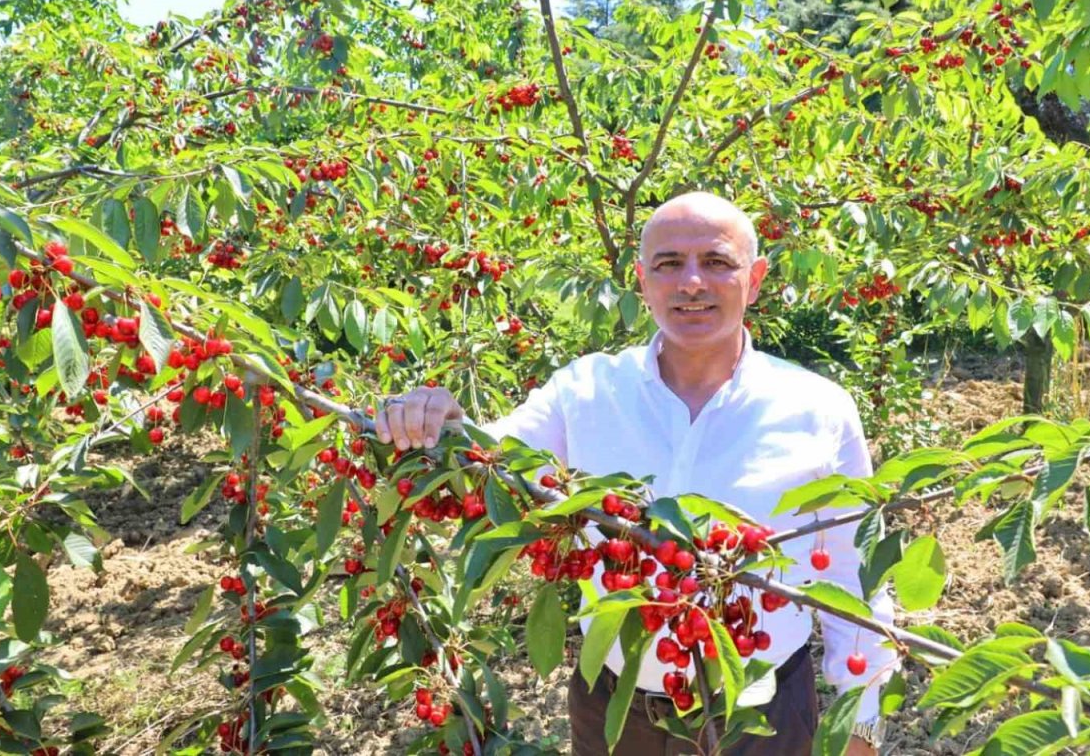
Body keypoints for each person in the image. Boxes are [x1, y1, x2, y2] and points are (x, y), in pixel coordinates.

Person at [376, 192, 897, 755]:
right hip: (616, 710)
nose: (691, 282)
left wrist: (862, 721)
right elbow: (494, 458)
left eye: (716, 262)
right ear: (642, 281)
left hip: (762, 715)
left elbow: (855, 576)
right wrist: (440, 422)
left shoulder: (818, 409)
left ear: (755, 279)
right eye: (669, 264)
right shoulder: (586, 391)